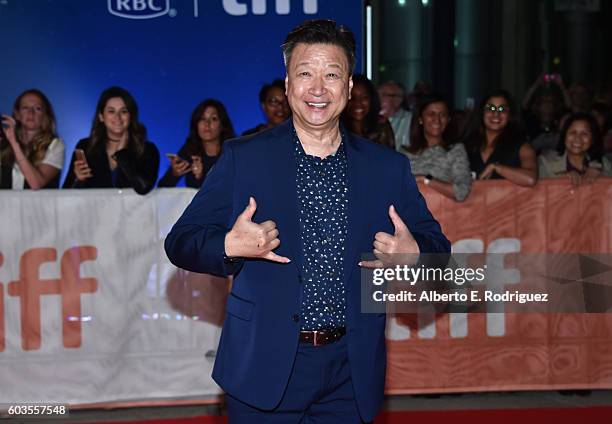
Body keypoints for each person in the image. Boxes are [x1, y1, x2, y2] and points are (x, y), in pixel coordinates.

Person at [165, 19, 450, 423]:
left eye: (332, 75)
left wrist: (415, 255)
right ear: (287, 85)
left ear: (349, 88)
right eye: (305, 74)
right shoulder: (245, 157)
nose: (318, 89)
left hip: (350, 372)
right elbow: (180, 241)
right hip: (263, 365)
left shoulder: (387, 168)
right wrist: (229, 246)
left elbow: (440, 254)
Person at [63, 86, 159, 195]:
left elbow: (144, 188)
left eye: (123, 111)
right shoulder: (85, 146)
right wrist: (78, 180)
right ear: (101, 116)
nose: (117, 117)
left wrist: (122, 155)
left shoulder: (147, 149)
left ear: (131, 116)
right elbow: (65, 195)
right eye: (111, 111)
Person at [402, 94, 472, 201]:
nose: (437, 119)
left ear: (448, 120)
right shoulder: (404, 153)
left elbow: (461, 192)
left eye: (442, 115)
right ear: (420, 119)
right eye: (431, 114)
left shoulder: (455, 150)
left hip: (442, 214)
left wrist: (425, 179)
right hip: (408, 215)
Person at [464, 89, 538, 187]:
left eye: (502, 109)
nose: (496, 114)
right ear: (482, 113)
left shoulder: (522, 147)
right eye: (490, 108)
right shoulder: (467, 146)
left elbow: (530, 179)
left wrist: (497, 168)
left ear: (510, 115)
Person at [158, 99, 235, 188]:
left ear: (222, 125)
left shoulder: (233, 151)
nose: (207, 124)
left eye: (213, 119)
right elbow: (162, 187)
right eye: (202, 119)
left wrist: (201, 177)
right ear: (196, 124)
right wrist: (174, 174)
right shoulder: (190, 150)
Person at [0, 89, 64, 189]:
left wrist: (14, 143)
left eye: (37, 108)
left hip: (38, 204)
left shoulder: (55, 145)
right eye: (25, 108)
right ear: (17, 114)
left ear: (45, 115)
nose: (31, 113)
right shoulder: (4, 142)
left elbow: (36, 184)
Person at [539, 112, 611, 185]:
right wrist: (561, 179)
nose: (577, 138)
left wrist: (601, 177)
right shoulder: (546, 162)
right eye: (573, 132)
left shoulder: (603, 164)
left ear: (592, 139)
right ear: (564, 136)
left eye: (584, 134)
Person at [342, 74, 395, 149]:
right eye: (352, 98)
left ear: (371, 99)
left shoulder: (381, 125)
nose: (358, 103)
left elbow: (392, 157)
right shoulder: (335, 128)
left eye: (364, 97)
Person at [378, 80, 412, 150]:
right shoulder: (372, 119)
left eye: (384, 95)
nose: (378, 98)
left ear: (398, 99)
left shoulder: (410, 120)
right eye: (376, 94)